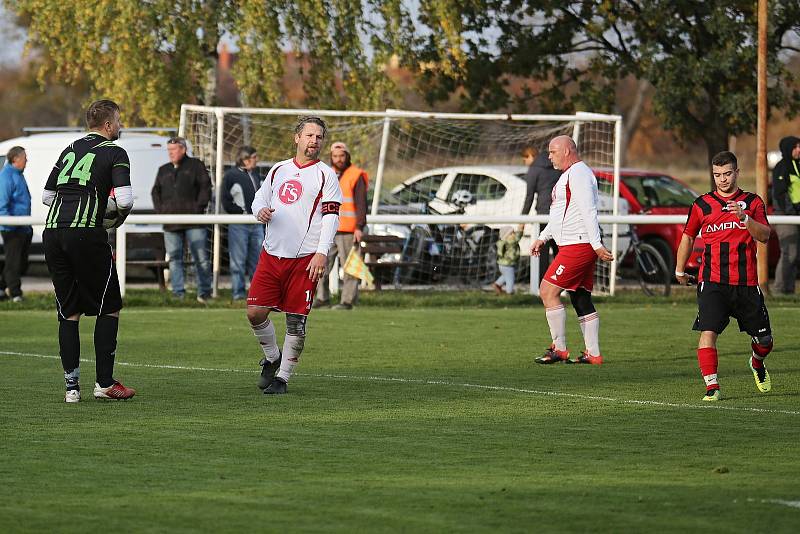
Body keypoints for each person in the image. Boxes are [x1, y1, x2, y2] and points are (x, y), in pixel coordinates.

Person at [41, 99, 136, 403]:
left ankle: (71, 388)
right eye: (118, 121)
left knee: (69, 312)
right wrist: (109, 214)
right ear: (108, 125)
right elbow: (124, 201)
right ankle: (105, 384)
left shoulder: (70, 149)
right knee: (109, 307)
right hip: (85, 233)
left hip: (53, 231)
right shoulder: (115, 152)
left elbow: (47, 196)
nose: (120, 126)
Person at [246, 116, 342, 395]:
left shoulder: (326, 174)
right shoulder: (278, 169)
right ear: (296, 138)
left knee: (296, 320)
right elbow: (259, 198)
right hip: (271, 254)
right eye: (309, 135)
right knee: (254, 312)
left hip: (305, 258)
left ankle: (283, 378)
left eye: (319, 137)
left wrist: (321, 253)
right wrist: (259, 211)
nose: (314, 141)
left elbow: (332, 217)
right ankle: (272, 356)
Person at [675, 151, 773, 402]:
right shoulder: (701, 204)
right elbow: (687, 236)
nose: (722, 180)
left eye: (727, 174)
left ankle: (756, 362)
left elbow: (764, 235)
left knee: (765, 341)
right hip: (713, 281)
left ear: (737, 173)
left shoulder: (752, 202)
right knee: (707, 331)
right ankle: (712, 387)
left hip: (746, 283)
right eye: (717, 175)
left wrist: (745, 218)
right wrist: (679, 269)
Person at [530, 135, 614, 365]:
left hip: (578, 244)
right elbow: (559, 216)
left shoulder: (578, 174)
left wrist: (596, 245)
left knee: (547, 291)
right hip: (576, 243)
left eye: (553, 151)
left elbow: (589, 211)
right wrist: (543, 237)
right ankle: (593, 354)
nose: (549, 156)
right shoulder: (569, 175)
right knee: (580, 297)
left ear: (567, 151)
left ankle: (559, 349)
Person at [151, 136, 213, 302]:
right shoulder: (163, 169)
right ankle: (178, 295)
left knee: (201, 257)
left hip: (194, 222)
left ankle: (204, 293)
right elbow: (155, 192)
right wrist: (162, 212)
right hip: (171, 223)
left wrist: (197, 209)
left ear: (183, 149)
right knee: (174, 258)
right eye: (169, 150)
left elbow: (206, 188)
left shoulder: (196, 166)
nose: (170, 153)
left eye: (174, 149)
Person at [314, 141, 368, 310]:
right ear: (331, 157)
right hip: (327, 229)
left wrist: (359, 226)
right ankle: (322, 298)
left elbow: (361, 203)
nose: (338, 159)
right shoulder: (325, 173)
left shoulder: (356, 174)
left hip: (349, 230)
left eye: (342, 156)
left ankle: (347, 301)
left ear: (347, 156)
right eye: (335, 156)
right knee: (321, 265)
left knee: (350, 267)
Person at [222, 145, 265, 300]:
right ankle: (238, 293)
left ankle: (256, 295)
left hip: (257, 224)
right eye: (254, 157)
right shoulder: (231, 175)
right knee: (238, 260)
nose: (257, 160)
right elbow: (225, 201)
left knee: (257, 261)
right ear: (245, 159)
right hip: (239, 224)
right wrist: (240, 213)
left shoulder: (255, 175)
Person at [520, 145, 561, 281]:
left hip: (543, 213)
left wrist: (523, 220)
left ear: (530, 156)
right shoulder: (556, 165)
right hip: (559, 213)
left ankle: (541, 284)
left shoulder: (534, 169)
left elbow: (529, 196)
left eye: (524, 159)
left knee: (542, 249)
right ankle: (562, 282)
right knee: (560, 250)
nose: (525, 163)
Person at [0, 146, 32, 302]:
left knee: (19, 263)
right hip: (12, 228)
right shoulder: (6, 176)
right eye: (24, 157)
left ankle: (1, 288)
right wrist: (11, 223)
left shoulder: (18, 174)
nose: (27, 160)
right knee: (14, 263)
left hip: (23, 227)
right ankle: (16, 294)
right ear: (15, 159)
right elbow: (2, 204)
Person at [771, 135, 800, 294]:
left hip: (796, 216)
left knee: (796, 254)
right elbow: (781, 194)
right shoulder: (781, 167)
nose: (799, 150)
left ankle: (789, 289)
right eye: (796, 147)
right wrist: (791, 211)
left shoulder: (798, 165)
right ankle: (780, 289)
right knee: (790, 251)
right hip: (786, 216)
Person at [493, 225, 523, 294]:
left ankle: (497, 284)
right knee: (510, 279)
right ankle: (509, 292)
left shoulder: (502, 241)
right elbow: (517, 238)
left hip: (502, 264)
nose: (513, 235)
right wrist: (521, 230)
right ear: (506, 235)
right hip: (508, 265)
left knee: (505, 275)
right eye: (511, 233)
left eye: (514, 233)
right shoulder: (510, 242)